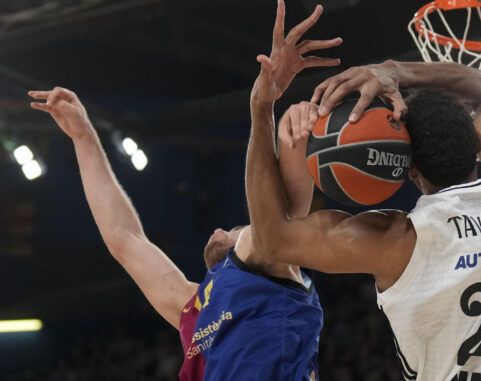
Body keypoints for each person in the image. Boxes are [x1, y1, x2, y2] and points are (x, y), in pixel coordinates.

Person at [248, 17, 481, 379]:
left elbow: (273, 239)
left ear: (410, 170)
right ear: (476, 143)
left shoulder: (401, 242)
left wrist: (262, 107)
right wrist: (393, 73)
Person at [28, 11, 339, 377]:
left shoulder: (267, 266)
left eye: (239, 228)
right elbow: (124, 240)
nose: (223, 230)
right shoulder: (196, 307)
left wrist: (274, 116)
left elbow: (280, 221)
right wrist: (83, 138)